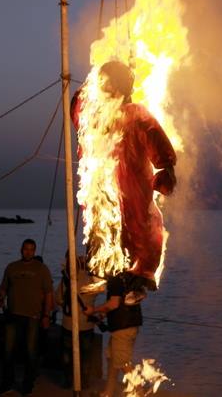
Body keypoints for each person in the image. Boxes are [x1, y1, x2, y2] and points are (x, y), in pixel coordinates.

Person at [72, 60, 177, 299]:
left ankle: (140, 279)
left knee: (140, 224)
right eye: (100, 81)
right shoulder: (96, 115)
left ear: (119, 85)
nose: (101, 85)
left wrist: (166, 167)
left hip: (133, 183)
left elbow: (155, 137)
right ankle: (103, 273)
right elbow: (78, 112)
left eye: (105, 81)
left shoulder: (136, 113)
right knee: (101, 226)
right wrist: (83, 89)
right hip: (102, 184)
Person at [0, 239, 54, 396]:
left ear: (34, 251)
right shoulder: (11, 267)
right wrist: (0, 296)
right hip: (13, 315)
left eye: (31, 249)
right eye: (25, 249)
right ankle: (7, 383)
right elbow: (3, 288)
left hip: (33, 317)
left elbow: (49, 294)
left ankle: (28, 384)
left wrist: (46, 315)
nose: (28, 252)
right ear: (21, 250)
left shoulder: (42, 269)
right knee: (8, 351)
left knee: (30, 352)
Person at [84, 273, 142, 397]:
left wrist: (93, 310)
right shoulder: (128, 277)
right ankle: (108, 393)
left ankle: (140, 392)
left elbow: (114, 303)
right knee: (112, 360)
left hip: (122, 328)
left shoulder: (116, 279)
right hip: (127, 325)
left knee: (122, 362)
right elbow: (121, 301)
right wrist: (102, 315)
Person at [55, 252, 101, 390]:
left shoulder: (67, 279)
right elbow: (99, 290)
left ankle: (69, 380)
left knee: (69, 355)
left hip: (74, 324)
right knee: (84, 355)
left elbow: (58, 299)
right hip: (80, 324)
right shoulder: (88, 278)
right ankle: (83, 382)